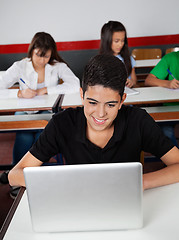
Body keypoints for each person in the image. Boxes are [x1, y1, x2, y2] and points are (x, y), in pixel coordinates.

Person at [8, 54, 179, 190]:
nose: (100, 114)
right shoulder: (63, 124)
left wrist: (141, 182)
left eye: (111, 104)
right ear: (81, 95)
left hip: (124, 203)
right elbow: (14, 175)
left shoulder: (138, 121)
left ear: (122, 100)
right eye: (92, 102)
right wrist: (62, 182)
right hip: (76, 203)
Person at [0, 32, 80, 192]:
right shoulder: (20, 66)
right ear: (31, 51)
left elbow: (75, 84)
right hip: (25, 112)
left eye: (46, 56)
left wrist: (47, 89)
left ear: (51, 54)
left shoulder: (57, 66)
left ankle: (31, 181)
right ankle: (16, 179)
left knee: (40, 138)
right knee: (24, 135)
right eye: (38, 55)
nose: (42, 60)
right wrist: (19, 93)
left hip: (48, 113)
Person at [145, 51, 179, 147]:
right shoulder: (171, 58)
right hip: (169, 108)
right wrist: (167, 83)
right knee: (166, 134)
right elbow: (149, 80)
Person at [99, 21, 137, 88]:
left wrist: (131, 82)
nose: (120, 44)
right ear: (107, 41)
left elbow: (134, 80)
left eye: (123, 40)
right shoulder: (100, 61)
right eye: (116, 41)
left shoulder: (128, 58)